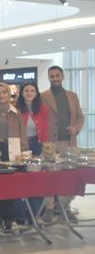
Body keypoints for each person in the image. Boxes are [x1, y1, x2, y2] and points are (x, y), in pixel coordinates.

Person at [41, 66, 84, 223]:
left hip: (69, 143)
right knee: (50, 177)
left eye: (57, 75)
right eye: (51, 76)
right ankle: (49, 207)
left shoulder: (72, 96)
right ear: (48, 78)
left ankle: (65, 207)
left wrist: (76, 128)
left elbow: (80, 116)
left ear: (63, 76)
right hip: (49, 145)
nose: (55, 79)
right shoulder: (43, 96)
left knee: (69, 177)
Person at [0, 82, 29, 230]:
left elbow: (22, 133)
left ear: (8, 94)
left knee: (10, 187)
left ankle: (8, 218)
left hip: (12, 152)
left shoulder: (16, 112)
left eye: (4, 92)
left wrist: (24, 152)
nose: (1, 95)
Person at [15, 82, 49, 223]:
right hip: (21, 146)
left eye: (32, 91)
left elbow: (46, 130)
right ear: (22, 93)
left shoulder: (42, 109)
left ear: (36, 93)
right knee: (22, 181)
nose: (29, 93)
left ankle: (35, 216)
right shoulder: (16, 109)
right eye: (26, 90)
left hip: (37, 145)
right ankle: (23, 214)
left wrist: (45, 150)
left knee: (37, 181)